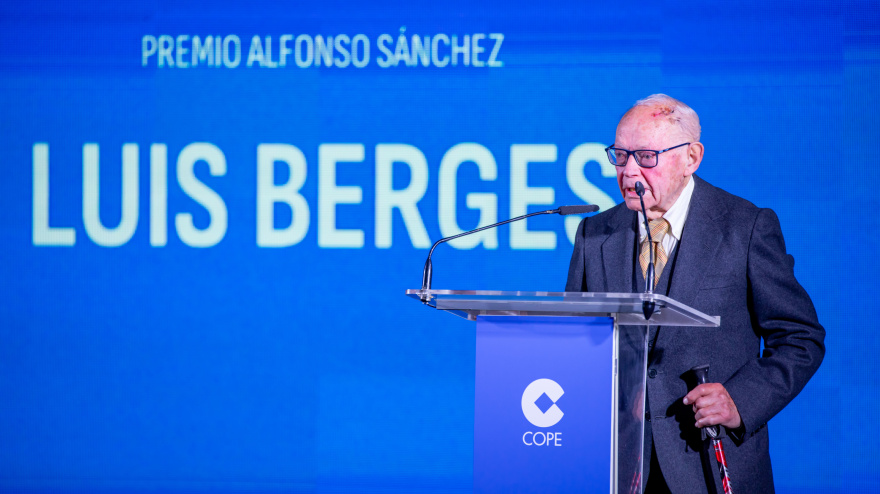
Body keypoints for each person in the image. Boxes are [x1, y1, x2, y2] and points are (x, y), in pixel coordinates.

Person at [565, 94, 825, 493]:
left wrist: (741, 400)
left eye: (646, 157)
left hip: (709, 462)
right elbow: (576, 342)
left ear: (691, 157)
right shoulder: (594, 234)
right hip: (617, 469)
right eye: (620, 155)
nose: (628, 170)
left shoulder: (745, 227)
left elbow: (800, 338)